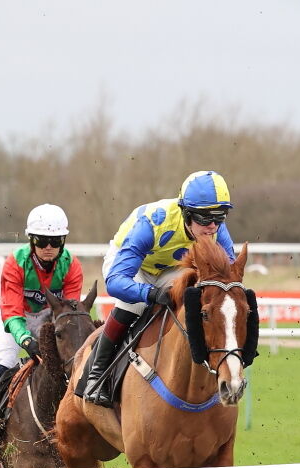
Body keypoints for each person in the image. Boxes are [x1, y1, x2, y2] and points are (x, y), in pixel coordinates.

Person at [81, 170, 236, 407]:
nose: (213, 226)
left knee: (197, 298)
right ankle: (95, 375)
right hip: (131, 265)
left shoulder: (216, 231)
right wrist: (150, 293)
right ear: (186, 213)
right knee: (133, 303)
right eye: (204, 218)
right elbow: (115, 282)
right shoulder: (152, 223)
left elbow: (230, 279)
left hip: (170, 268)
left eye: (220, 216)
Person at [0, 204, 83, 455]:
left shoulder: (72, 266)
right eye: (42, 240)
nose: (48, 247)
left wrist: (49, 340)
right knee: (4, 361)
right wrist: (26, 341)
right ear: (31, 240)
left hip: (51, 318)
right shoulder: (15, 262)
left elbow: (69, 314)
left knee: (71, 362)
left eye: (55, 241)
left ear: (63, 241)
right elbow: (12, 311)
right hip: (16, 317)